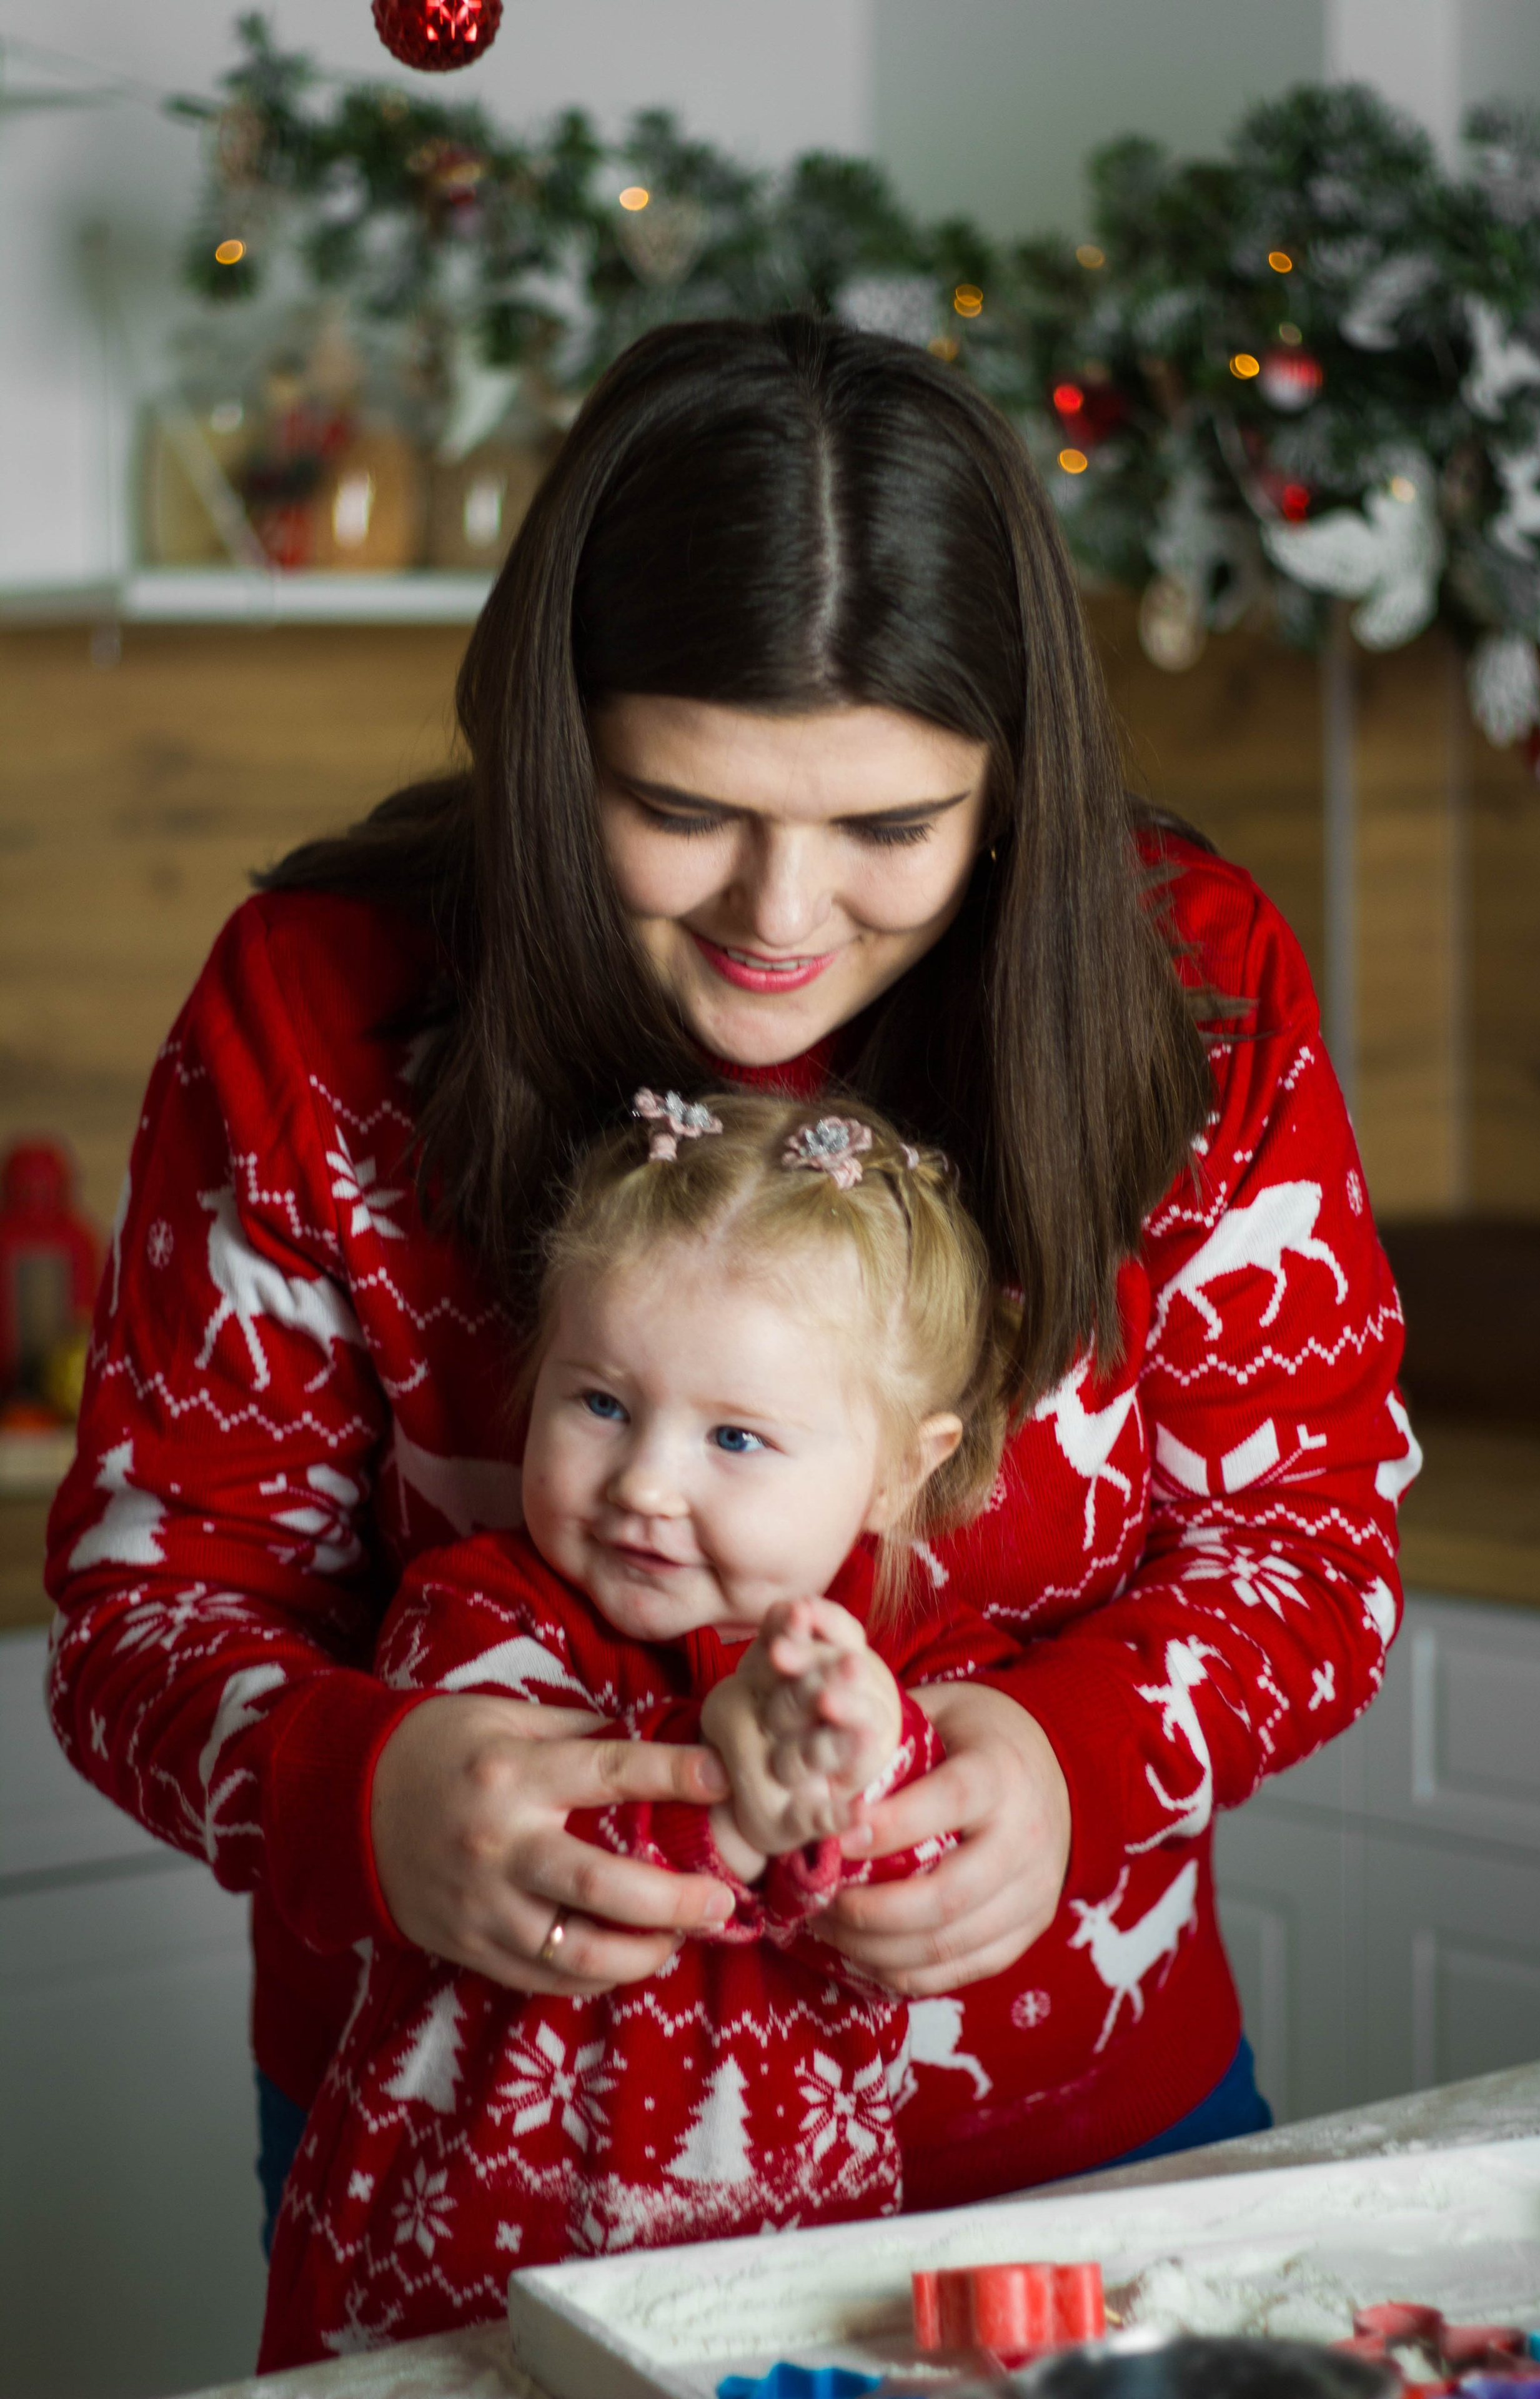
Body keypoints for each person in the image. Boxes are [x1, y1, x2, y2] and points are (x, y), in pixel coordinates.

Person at [46, 314, 1417, 2291]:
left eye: (890, 831)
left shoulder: (1187, 988)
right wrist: (365, 1792)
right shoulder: (313, 1000)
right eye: (680, 812)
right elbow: (141, 1607)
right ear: (550, 738)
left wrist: (1064, 1766)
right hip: (484, 2201)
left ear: (1010, 781)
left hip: (1082, 2161)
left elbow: (1313, 1549)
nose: (783, 920)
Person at [260, 1088, 1025, 2365]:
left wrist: (864, 1761)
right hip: (450, 2282)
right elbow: (542, 1817)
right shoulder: (469, 1611)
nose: (647, 1484)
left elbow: (931, 1880)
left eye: (735, 1436)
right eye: (601, 1404)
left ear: (900, 1469)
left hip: (777, 2290)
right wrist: (740, 1788)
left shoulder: (916, 1657)